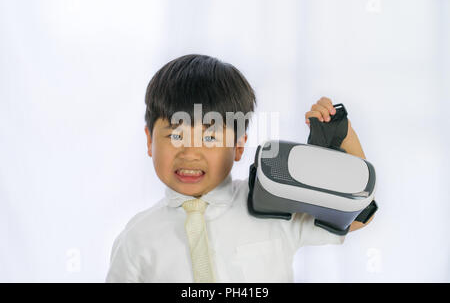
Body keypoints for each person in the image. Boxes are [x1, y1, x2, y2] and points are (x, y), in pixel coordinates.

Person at [105, 54, 374, 282]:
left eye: (210, 137)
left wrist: (342, 135)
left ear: (238, 146)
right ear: (150, 140)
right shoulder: (137, 238)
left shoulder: (273, 203)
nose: (190, 152)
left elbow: (359, 216)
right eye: (176, 136)